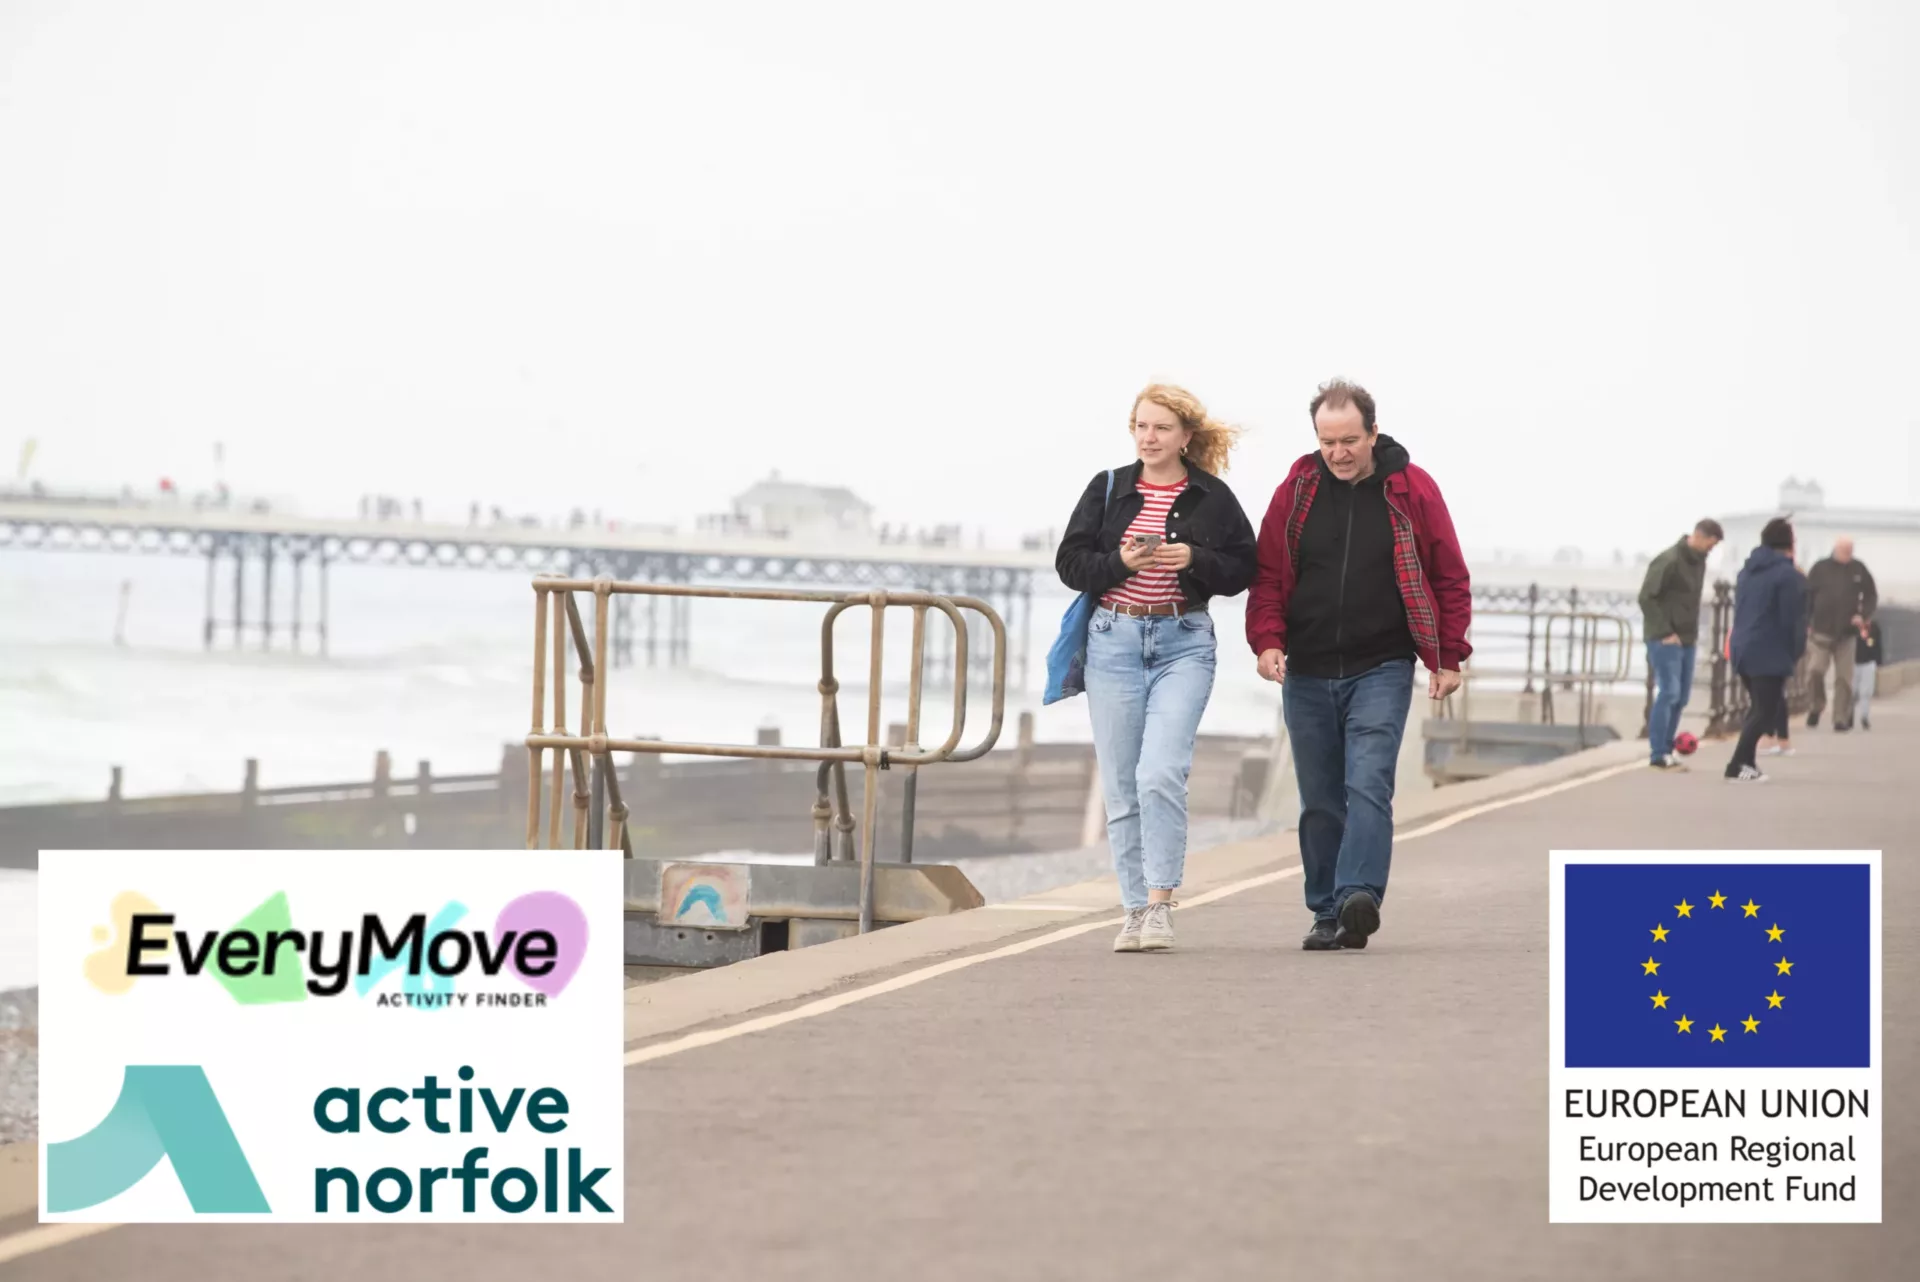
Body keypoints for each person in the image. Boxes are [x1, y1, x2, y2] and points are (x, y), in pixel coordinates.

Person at [1246, 379, 1471, 951]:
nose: (1339, 452)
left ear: (1373, 432)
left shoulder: (1412, 490)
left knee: (1368, 782)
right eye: (1327, 441)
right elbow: (1268, 574)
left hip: (1383, 664)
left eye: (1349, 439)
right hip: (1308, 668)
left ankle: (1358, 895)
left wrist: (1449, 654)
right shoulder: (1295, 491)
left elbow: (1448, 575)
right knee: (1320, 798)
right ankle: (1326, 910)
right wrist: (1268, 640)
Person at [1055, 384, 1259, 953]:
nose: (1149, 437)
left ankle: (1163, 904)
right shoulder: (1109, 488)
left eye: (1162, 428)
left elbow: (1244, 567)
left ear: (1185, 437)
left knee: (1159, 773)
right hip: (1112, 642)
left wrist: (1195, 558)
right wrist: (1119, 561)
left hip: (1184, 642)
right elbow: (1070, 564)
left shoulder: (1211, 496)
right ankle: (1133, 910)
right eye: (1141, 426)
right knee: (1122, 787)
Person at [1637, 518, 1724, 770]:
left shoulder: (1698, 562)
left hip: (1687, 639)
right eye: (1711, 543)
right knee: (1669, 692)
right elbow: (1646, 597)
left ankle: (1667, 749)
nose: (1712, 549)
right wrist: (1664, 631)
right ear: (1698, 536)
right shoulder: (1669, 560)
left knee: (1682, 696)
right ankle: (1658, 752)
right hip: (1665, 639)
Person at [1725, 518, 1806, 782]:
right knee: (1765, 711)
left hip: (1742, 647)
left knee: (1758, 708)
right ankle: (1737, 764)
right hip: (1769, 650)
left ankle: (1747, 763)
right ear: (1790, 544)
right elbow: (1791, 620)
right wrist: (1794, 652)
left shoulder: (1746, 572)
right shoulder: (1787, 576)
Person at [1804, 537, 1877, 732]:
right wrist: (1806, 621)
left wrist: (1862, 615)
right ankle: (1816, 705)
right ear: (1835, 549)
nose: (1848, 554)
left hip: (1847, 633)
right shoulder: (1820, 568)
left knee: (1844, 678)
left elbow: (1871, 595)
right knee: (1815, 670)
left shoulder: (1858, 569)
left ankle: (1840, 718)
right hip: (1820, 631)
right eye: (1844, 550)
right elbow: (1807, 596)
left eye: (1850, 550)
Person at [1853, 615, 1883, 731]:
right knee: (1853, 691)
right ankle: (1847, 715)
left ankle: (1864, 717)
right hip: (1853, 662)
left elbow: (1878, 645)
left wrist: (1879, 662)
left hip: (1869, 662)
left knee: (1866, 692)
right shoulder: (1852, 626)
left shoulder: (1874, 627)